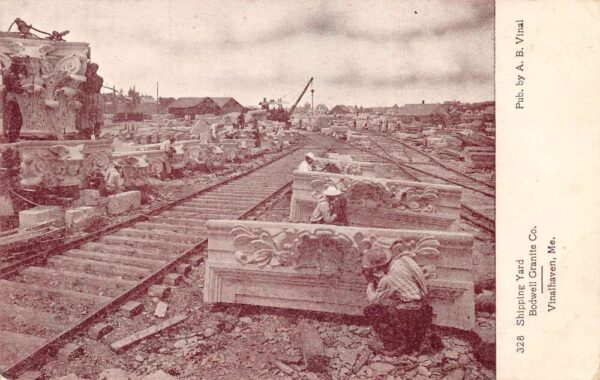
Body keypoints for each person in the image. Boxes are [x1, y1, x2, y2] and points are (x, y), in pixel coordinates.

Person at [361, 246, 435, 354]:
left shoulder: (388, 279)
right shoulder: (405, 260)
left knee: (371, 310)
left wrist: (371, 283)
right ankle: (415, 339)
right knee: (396, 304)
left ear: (377, 269)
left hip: (411, 315)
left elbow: (373, 299)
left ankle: (393, 345)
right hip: (425, 309)